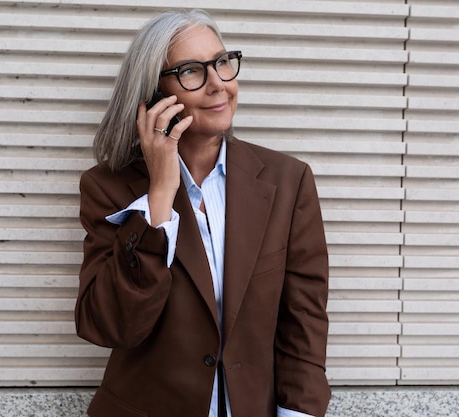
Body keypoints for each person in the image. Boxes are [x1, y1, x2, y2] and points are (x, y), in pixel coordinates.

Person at [75, 9, 331, 417]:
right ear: (154, 95)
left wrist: (298, 412)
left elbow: (303, 321)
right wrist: (159, 195)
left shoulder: (288, 181)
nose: (218, 84)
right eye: (192, 71)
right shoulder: (109, 188)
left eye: (223, 63)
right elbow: (108, 326)